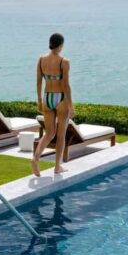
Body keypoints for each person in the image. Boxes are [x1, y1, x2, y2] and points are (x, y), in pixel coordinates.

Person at [31, 32, 74, 177]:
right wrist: (70, 105)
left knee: (49, 133)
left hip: (47, 97)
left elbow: (38, 82)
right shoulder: (64, 61)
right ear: (61, 45)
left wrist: (39, 100)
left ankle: (35, 159)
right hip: (60, 98)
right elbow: (66, 85)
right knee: (61, 135)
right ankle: (57, 167)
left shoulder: (41, 59)